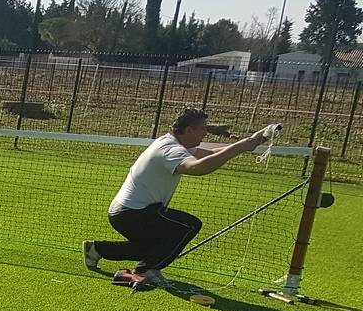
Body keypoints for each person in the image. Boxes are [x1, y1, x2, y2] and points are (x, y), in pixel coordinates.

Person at [83, 109, 274, 289]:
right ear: (189, 130)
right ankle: (147, 270)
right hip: (133, 213)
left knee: (150, 248)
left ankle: (97, 249)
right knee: (189, 225)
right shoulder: (170, 150)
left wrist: (253, 141)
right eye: (202, 129)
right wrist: (238, 147)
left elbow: (209, 153)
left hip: (124, 212)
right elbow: (197, 168)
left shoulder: (173, 143)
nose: (205, 134)